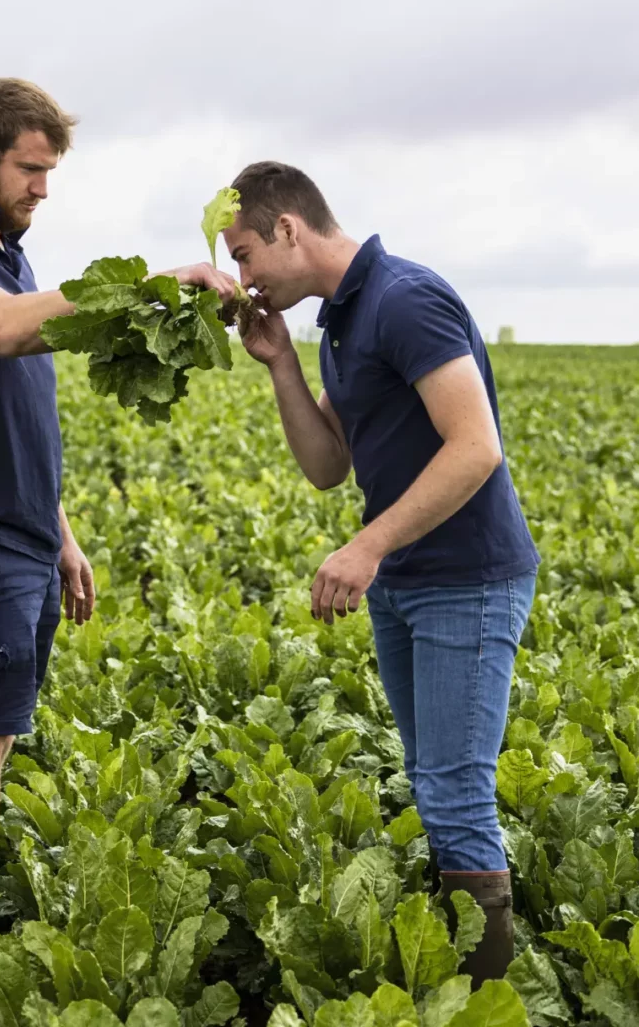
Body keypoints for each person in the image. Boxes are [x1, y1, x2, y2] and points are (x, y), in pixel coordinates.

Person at [0, 76, 236, 923]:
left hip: (20, 539)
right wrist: (146, 284)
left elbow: (14, 413)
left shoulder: (4, 249)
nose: (42, 187)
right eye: (30, 169)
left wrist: (59, 532)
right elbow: (1, 329)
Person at [224, 161, 539, 985]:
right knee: (435, 787)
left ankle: (486, 1000)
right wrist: (281, 367)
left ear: (289, 229)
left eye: (247, 253)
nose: (243, 276)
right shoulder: (340, 321)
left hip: (467, 580)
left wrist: (365, 547)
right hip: (408, 582)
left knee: (457, 794)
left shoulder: (403, 298)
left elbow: (476, 447)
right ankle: (466, 972)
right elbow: (329, 466)